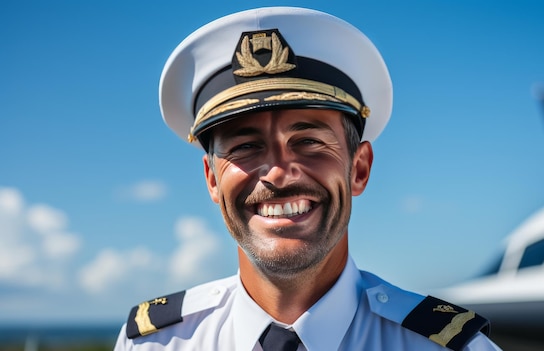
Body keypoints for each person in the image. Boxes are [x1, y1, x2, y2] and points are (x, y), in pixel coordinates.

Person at [114, 6, 501, 351]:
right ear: (212, 180)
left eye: (310, 142)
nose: (279, 173)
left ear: (359, 169)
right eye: (246, 146)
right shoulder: (157, 344)